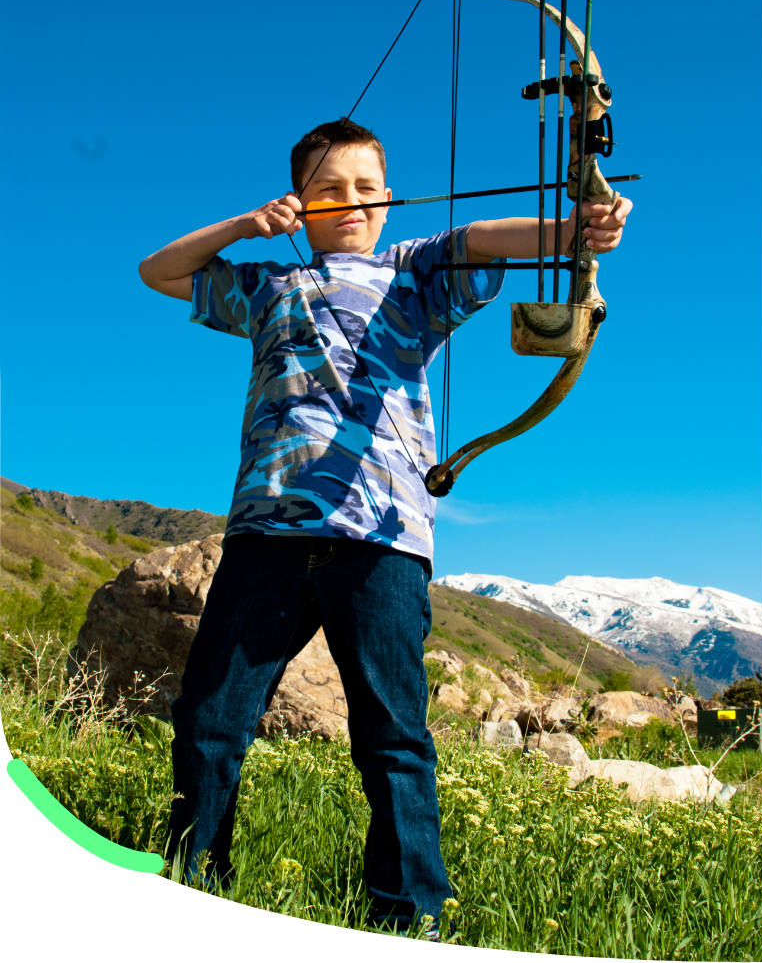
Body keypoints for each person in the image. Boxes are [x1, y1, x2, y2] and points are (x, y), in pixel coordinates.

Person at [138, 118, 632, 937]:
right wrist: (244, 225)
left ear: (392, 197)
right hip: (268, 532)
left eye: (369, 188)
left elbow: (485, 235)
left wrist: (578, 223)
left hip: (384, 542)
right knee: (212, 717)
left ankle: (410, 913)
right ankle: (197, 869)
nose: (352, 203)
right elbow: (159, 269)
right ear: (300, 202)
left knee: (393, 733)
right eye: (329, 191)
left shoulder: (415, 272)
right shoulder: (265, 286)